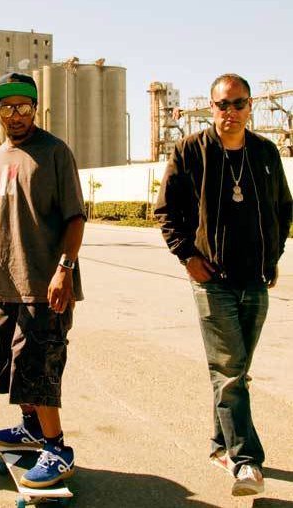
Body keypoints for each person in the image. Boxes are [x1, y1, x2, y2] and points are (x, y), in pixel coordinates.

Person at [155, 74, 292, 496]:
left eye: (238, 104)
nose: (230, 112)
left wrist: (273, 257)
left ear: (250, 106)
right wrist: (187, 256)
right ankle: (246, 462)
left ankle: (220, 444)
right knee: (230, 370)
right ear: (211, 108)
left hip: (255, 279)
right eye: (222, 105)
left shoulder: (265, 152)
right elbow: (166, 211)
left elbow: (283, 208)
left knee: (235, 372)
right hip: (212, 280)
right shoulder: (190, 150)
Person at [0, 72, 86, 488]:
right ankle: (32, 428)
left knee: (38, 368)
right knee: (8, 365)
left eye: (22, 106)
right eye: (7, 107)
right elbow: (14, 206)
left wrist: (64, 269)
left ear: (35, 108)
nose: (15, 114)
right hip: (4, 281)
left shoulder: (55, 152)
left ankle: (57, 449)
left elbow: (75, 217)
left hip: (44, 282)